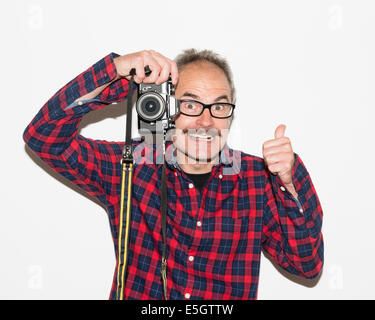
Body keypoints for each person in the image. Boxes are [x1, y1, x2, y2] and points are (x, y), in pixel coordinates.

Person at [23, 49, 324, 300]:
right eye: (191, 104)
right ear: (168, 107)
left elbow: (306, 265)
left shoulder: (258, 180)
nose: (205, 121)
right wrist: (113, 71)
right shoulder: (133, 166)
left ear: (230, 114)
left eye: (219, 106)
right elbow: (43, 137)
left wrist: (289, 183)